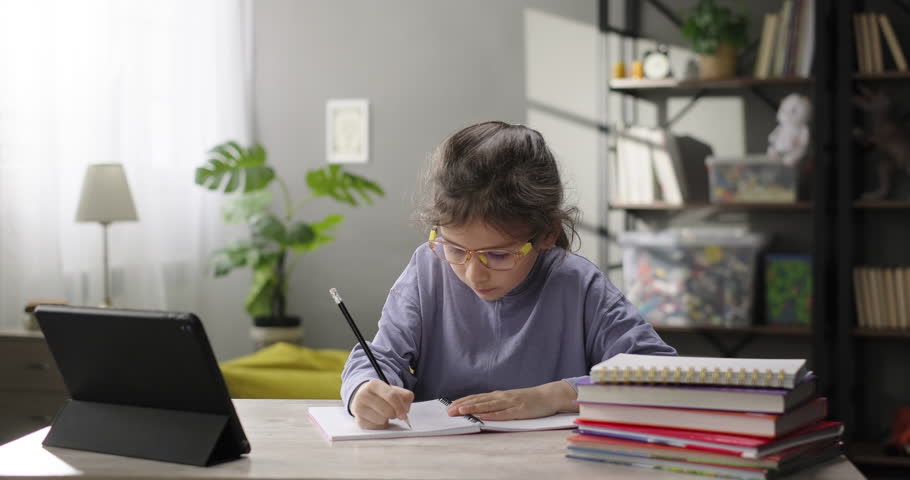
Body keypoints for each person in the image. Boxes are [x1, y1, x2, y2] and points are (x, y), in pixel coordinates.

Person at [341, 121, 676, 429]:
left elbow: (659, 374)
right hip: (438, 460)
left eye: (498, 255)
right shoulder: (428, 268)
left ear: (546, 234)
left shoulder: (577, 283)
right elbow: (381, 356)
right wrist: (364, 391)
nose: (474, 275)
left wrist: (555, 396)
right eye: (456, 249)